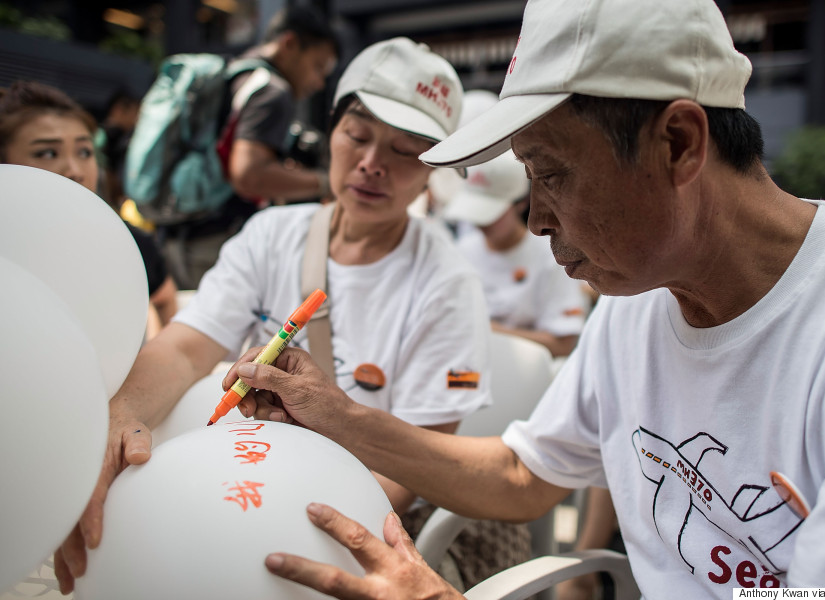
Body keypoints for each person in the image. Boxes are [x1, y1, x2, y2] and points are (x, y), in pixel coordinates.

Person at [208, 0, 825, 596]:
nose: (536, 218)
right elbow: (521, 475)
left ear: (680, 143)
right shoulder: (633, 302)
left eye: (553, 174)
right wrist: (336, 415)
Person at [55, 37, 536, 595]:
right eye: (357, 136)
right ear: (329, 132)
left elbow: (412, 463)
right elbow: (187, 346)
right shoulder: (271, 234)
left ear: (434, 168)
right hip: (242, 480)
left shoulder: (447, 285)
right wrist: (121, 416)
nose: (372, 164)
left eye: (405, 150)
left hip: (359, 506)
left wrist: (282, 514)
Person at [151, 4, 340, 289]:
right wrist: (326, 182)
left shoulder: (236, 74)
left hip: (176, 235)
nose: (318, 82)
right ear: (289, 44)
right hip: (214, 244)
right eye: (318, 67)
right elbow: (248, 175)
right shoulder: (273, 92)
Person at [0, 79, 178, 339]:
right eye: (48, 153)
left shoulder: (128, 242)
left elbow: (164, 299)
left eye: (84, 152)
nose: (74, 170)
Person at [442, 148, 587, 357]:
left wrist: (489, 331)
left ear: (521, 204)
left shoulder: (551, 257)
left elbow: (563, 342)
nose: (481, 223)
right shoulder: (463, 251)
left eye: (491, 214)